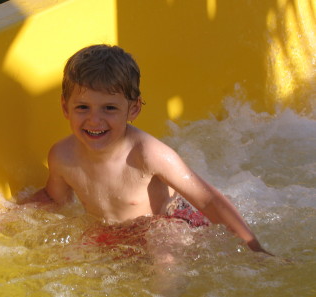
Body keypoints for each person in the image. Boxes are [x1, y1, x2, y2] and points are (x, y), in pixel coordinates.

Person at [24, 44, 271, 255]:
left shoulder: (149, 154)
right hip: (113, 234)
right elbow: (55, 200)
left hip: (165, 226)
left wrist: (255, 250)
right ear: (65, 107)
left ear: (133, 109)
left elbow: (208, 199)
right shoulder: (62, 156)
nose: (94, 120)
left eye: (109, 108)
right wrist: (8, 214)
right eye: (82, 108)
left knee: (165, 253)